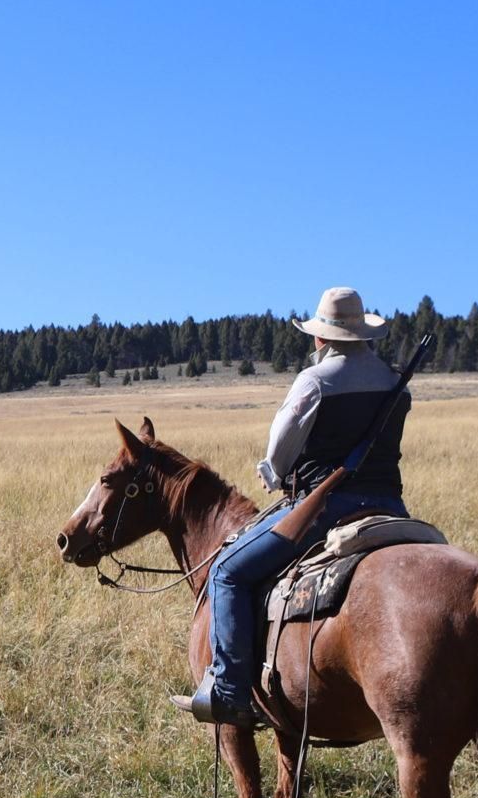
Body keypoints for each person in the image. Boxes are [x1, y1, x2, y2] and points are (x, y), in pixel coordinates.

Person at [175, 286, 414, 725]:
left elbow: (280, 451)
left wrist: (276, 476)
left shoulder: (315, 381)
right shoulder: (395, 384)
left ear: (321, 338)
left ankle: (229, 689)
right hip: (392, 509)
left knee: (227, 571)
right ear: (363, 335)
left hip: (324, 512)